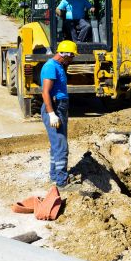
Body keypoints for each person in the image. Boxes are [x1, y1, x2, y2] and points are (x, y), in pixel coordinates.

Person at [41, 40, 78, 188]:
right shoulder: (51, 67)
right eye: (72, 56)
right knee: (61, 145)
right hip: (55, 107)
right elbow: (45, 92)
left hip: (60, 106)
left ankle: (55, 175)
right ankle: (62, 183)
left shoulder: (59, 66)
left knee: (57, 144)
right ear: (65, 54)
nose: (73, 59)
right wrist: (51, 114)